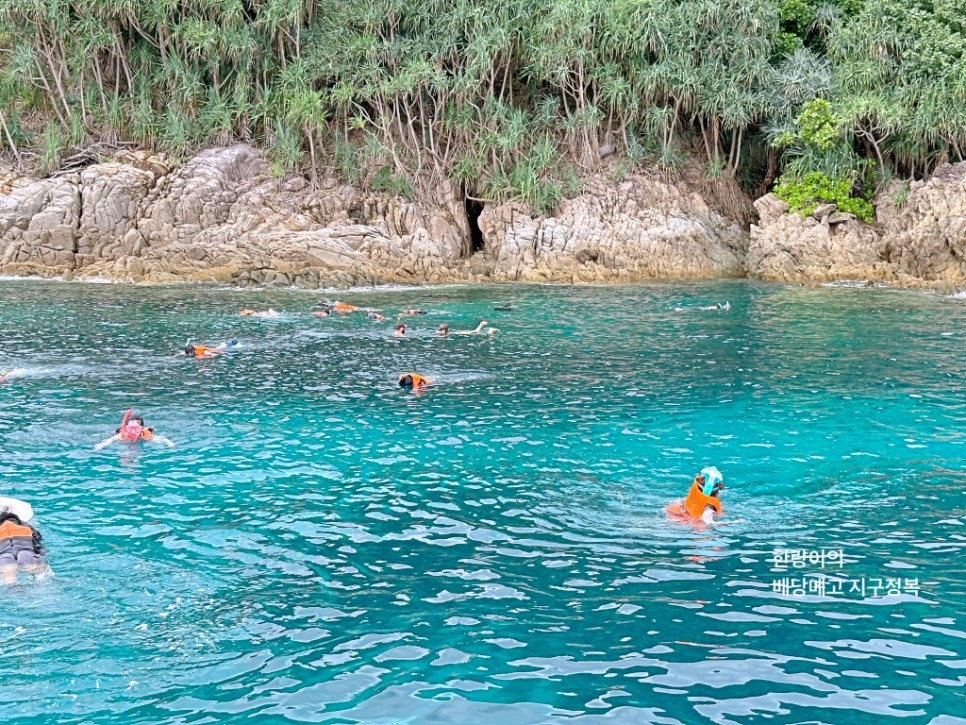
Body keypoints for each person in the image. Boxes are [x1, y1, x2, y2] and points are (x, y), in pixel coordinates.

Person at [0, 498, 47, 583]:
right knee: (40, 573)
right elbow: (37, 540)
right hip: (25, 553)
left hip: (5, 555)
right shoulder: (26, 527)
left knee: (9, 578)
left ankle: (15, 588)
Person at [95, 410, 175, 450]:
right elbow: (110, 440)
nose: (134, 426)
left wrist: (170, 443)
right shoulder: (122, 434)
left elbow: (161, 439)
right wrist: (101, 445)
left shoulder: (145, 434)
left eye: (138, 423)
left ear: (142, 427)